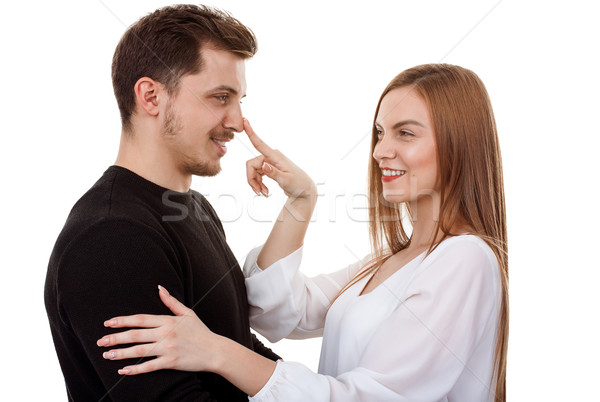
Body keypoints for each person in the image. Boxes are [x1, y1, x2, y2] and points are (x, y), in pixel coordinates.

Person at [97, 64, 509, 401]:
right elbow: (275, 310)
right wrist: (300, 200)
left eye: (406, 132)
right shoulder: (390, 261)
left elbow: (368, 398)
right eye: (380, 133)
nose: (381, 150)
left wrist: (215, 351)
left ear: (457, 143)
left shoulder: (465, 259)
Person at [44, 4, 281, 401]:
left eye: (239, 99)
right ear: (151, 96)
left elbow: (236, 344)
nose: (238, 121)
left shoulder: (194, 207)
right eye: (220, 97)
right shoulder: (111, 238)